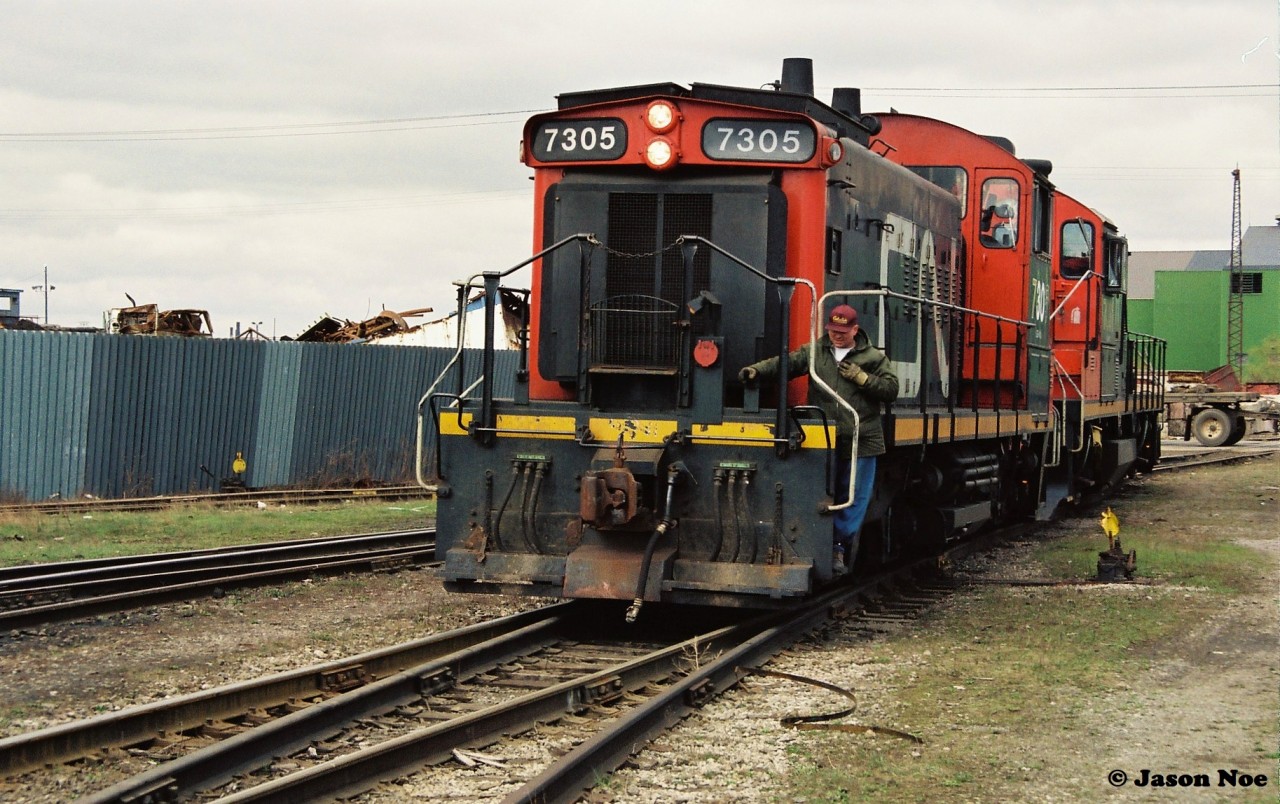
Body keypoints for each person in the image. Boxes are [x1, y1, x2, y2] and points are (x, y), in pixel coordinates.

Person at [738, 304, 899, 574]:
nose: (837, 336)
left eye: (843, 331)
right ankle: (813, 545)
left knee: (855, 497)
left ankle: (838, 545)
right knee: (823, 494)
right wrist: (756, 371)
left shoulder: (874, 358)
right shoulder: (814, 352)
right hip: (823, 439)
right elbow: (786, 363)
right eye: (833, 330)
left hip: (861, 439)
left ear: (855, 330)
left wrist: (863, 378)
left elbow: (891, 389)